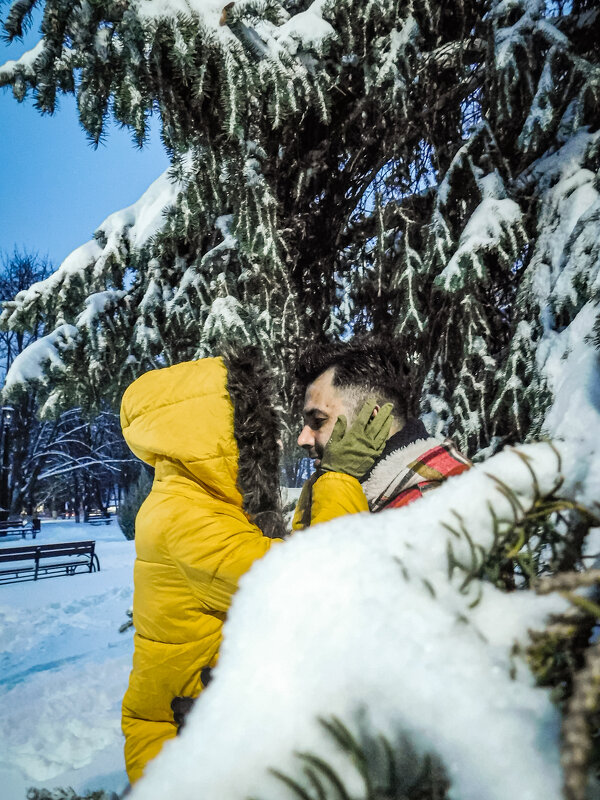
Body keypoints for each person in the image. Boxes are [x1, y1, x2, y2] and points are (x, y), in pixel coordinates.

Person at [119, 348, 286, 785]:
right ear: (219, 436)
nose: (271, 446)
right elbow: (306, 584)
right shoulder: (188, 516)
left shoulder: (190, 501)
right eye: (257, 435)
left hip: (189, 734)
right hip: (179, 754)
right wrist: (337, 478)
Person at [293, 339, 471, 529]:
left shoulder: (430, 508)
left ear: (371, 418)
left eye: (318, 421)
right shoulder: (375, 497)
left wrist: (336, 479)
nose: (302, 439)